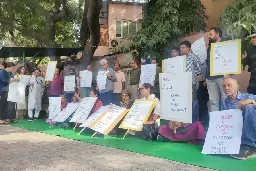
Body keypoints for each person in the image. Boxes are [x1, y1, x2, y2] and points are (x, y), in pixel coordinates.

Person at [221, 77, 256, 160]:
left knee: (248, 107)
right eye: (224, 86)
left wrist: (250, 101)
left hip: (252, 131)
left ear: (237, 87)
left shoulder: (247, 96)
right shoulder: (223, 102)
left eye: (229, 85)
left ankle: (250, 147)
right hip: (237, 132)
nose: (226, 88)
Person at [205, 27, 226, 112]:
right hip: (210, 78)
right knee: (213, 101)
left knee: (225, 99)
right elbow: (208, 62)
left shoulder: (226, 44)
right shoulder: (210, 47)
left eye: (211, 34)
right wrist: (206, 77)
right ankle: (216, 122)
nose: (209, 36)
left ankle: (227, 122)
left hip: (222, 76)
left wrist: (228, 74)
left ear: (217, 34)